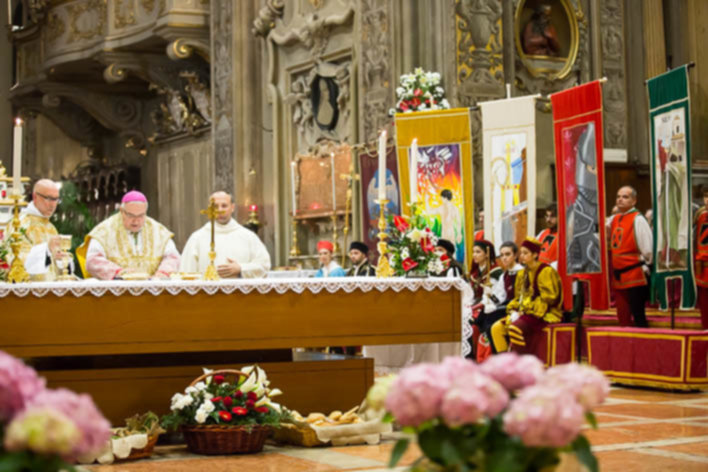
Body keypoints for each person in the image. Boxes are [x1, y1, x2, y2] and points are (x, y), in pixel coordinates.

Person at [80, 190, 180, 280]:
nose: (136, 221)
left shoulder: (158, 231)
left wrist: (162, 273)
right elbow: (92, 261)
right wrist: (119, 272)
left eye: (141, 215)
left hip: (152, 289)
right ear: (121, 211)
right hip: (117, 290)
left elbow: (173, 257)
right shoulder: (104, 231)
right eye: (131, 215)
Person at [490, 237, 563, 355]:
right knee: (496, 328)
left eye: (525, 253)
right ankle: (506, 361)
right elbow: (518, 297)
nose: (522, 256)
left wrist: (525, 310)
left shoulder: (545, 271)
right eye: (521, 253)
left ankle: (522, 362)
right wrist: (514, 309)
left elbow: (550, 298)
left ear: (535, 255)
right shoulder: (522, 273)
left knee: (514, 328)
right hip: (525, 311)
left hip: (544, 312)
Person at [180, 191, 271, 278]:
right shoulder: (197, 238)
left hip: (239, 289)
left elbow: (264, 265)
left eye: (224, 206)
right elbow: (186, 272)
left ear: (232, 207)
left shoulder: (248, 237)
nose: (220, 210)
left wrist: (241, 268)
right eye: (215, 206)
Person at [606, 186, 652, 327]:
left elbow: (648, 249)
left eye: (625, 197)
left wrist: (647, 266)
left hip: (635, 274)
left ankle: (642, 338)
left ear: (634, 201)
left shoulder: (638, 219)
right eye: (618, 196)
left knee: (638, 315)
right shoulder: (614, 219)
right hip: (618, 275)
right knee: (622, 315)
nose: (620, 199)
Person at [476, 241, 523, 359]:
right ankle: (493, 356)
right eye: (502, 255)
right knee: (483, 318)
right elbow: (500, 298)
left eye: (507, 254)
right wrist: (490, 296)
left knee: (490, 323)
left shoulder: (521, 272)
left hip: (518, 308)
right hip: (507, 305)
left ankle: (501, 357)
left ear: (515, 255)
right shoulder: (504, 275)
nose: (504, 258)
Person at [16, 179, 69, 280]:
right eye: (48, 198)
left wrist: (61, 260)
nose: (53, 205)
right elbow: (18, 261)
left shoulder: (51, 228)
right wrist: (47, 249)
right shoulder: (20, 224)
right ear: (35, 197)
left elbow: (54, 271)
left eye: (56, 199)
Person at [695, 187, 708, 328]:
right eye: (705, 196)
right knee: (704, 305)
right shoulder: (699, 215)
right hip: (702, 268)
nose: (707, 200)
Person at [536, 203, 558, 268]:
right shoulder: (543, 232)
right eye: (547, 216)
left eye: (552, 216)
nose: (548, 220)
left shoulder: (565, 236)